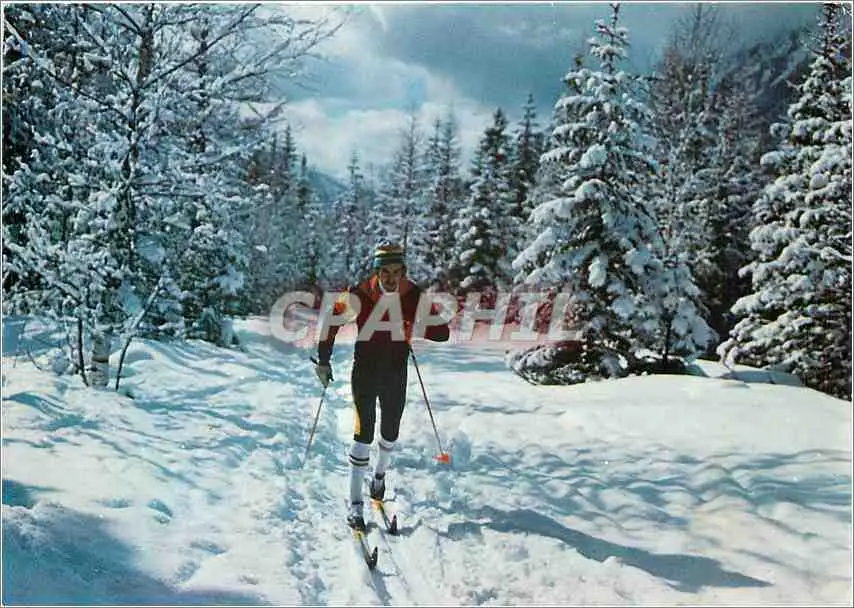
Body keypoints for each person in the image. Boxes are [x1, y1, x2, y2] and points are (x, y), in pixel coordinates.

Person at [313, 240, 451, 531]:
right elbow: (331, 323)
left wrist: (413, 324)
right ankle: (355, 506)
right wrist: (323, 361)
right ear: (376, 271)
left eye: (396, 271)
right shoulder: (359, 293)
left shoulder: (413, 294)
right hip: (365, 372)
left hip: (396, 373)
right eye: (385, 272)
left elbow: (442, 333)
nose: (391, 278)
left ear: (403, 271)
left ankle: (378, 479)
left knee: (390, 433)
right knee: (363, 434)